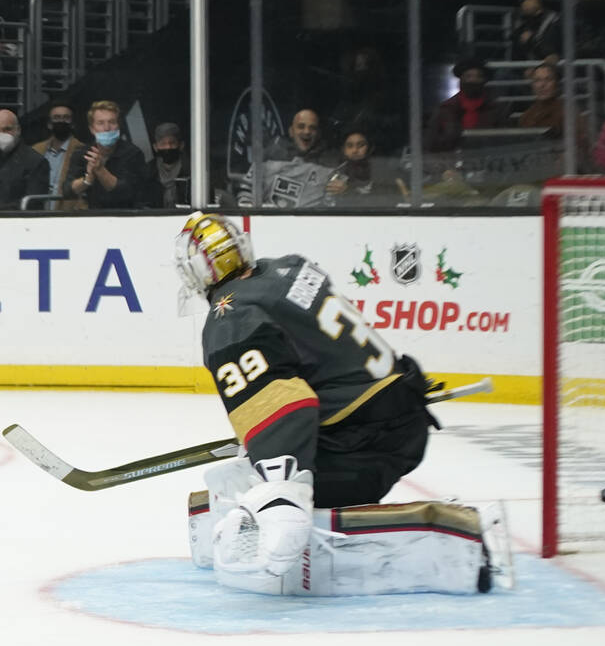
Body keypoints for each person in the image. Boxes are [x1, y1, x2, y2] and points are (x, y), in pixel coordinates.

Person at [174, 212, 510, 597]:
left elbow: (287, 407)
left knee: (280, 510)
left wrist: (279, 480)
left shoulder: (231, 316)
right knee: (252, 489)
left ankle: (454, 536)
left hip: (363, 439)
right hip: (395, 410)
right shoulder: (287, 268)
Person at [236, 109, 331, 209]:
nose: (307, 132)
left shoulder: (329, 166)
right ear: (291, 131)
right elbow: (245, 197)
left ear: (318, 133)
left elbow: (332, 206)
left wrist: (339, 192)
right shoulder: (268, 161)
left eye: (312, 128)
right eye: (301, 126)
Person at [63, 100, 148, 210]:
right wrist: (87, 180)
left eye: (112, 122)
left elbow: (126, 193)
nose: (107, 128)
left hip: (127, 216)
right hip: (94, 216)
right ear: (92, 129)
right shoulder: (83, 153)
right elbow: (67, 191)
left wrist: (100, 170)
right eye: (100, 123)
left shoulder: (133, 154)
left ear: (118, 126)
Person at [426, 57, 511, 153]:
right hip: (450, 162)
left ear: (484, 80)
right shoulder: (445, 109)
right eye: (468, 76)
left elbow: (504, 142)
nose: (473, 80)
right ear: (461, 79)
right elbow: (431, 144)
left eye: (478, 77)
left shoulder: (497, 109)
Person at [0, 108, 49, 210]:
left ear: (18, 130)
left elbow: (33, 203)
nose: (1, 135)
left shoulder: (36, 162)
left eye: (7, 129)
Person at [31, 101, 85, 210]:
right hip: (39, 213)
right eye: (56, 117)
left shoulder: (82, 150)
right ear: (49, 124)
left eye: (66, 118)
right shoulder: (36, 150)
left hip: (69, 214)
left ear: (73, 124)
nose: (61, 121)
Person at [142, 122, 190, 209]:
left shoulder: (192, 171)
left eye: (172, 143)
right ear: (155, 147)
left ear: (181, 145)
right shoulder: (147, 172)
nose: (168, 147)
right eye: (163, 144)